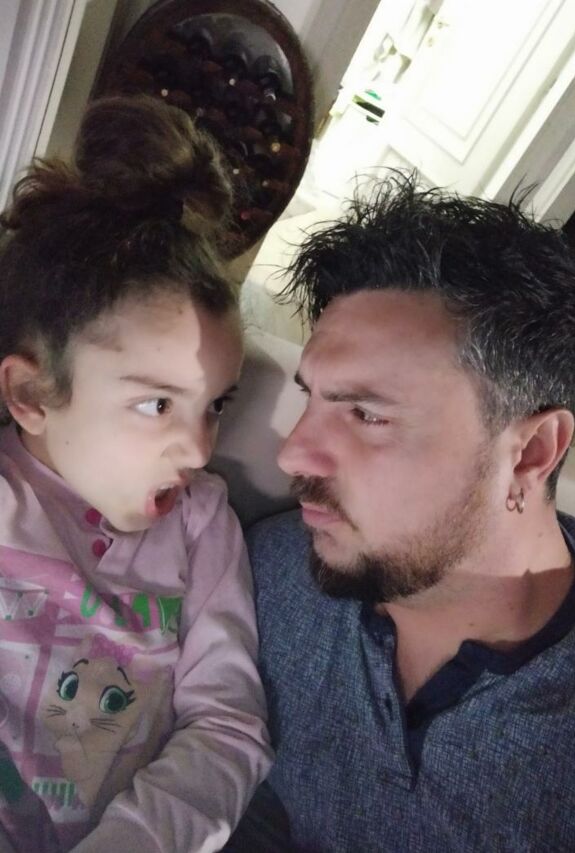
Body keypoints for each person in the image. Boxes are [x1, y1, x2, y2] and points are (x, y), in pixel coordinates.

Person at [227, 174, 575, 851]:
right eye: (312, 399)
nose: (294, 453)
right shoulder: (272, 572)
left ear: (531, 453)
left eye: (366, 414)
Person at [0, 95, 271, 852]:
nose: (199, 449)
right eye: (157, 404)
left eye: (215, 405)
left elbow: (226, 723)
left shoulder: (200, 520)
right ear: (31, 394)